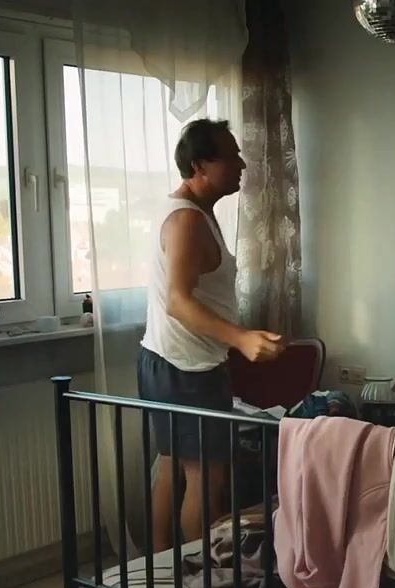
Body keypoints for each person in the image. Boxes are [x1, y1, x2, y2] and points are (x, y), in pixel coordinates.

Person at [140, 119, 283, 553]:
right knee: (206, 478)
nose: (242, 164)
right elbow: (178, 301)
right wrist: (241, 339)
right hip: (188, 368)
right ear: (200, 166)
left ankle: (159, 567)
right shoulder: (186, 220)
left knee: (172, 469)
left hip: (166, 361)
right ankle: (200, 572)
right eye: (231, 156)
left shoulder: (194, 211)